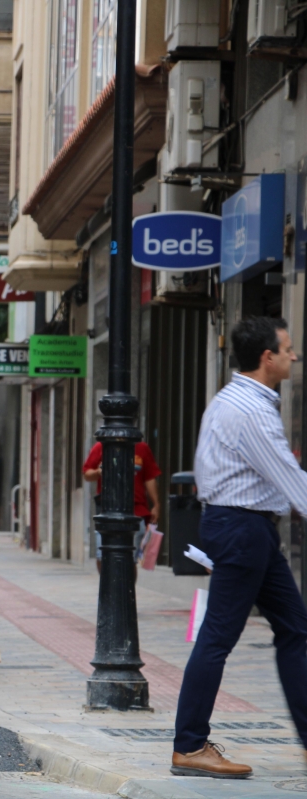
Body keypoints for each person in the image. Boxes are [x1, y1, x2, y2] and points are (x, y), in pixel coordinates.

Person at [171, 317, 307, 779]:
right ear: (267, 357)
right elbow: (292, 482)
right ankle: (189, 746)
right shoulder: (250, 411)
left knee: (295, 628)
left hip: (246, 528)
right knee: (218, 637)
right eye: (288, 349)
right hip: (243, 529)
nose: (294, 356)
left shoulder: (233, 400)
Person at [83, 432, 161, 572]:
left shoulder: (142, 448)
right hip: (107, 509)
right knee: (103, 556)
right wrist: (98, 472)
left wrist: (156, 504)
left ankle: (128, 592)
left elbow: (150, 478)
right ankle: (107, 590)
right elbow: (87, 474)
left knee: (130, 560)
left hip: (136, 509)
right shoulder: (101, 446)